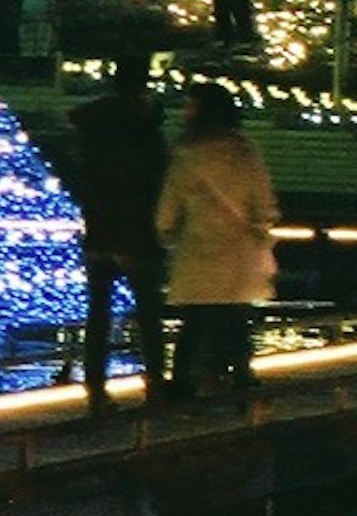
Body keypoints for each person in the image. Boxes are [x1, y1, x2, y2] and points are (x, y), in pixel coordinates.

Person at [155, 82, 279, 398]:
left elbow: (167, 210)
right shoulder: (244, 152)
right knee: (237, 318)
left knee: (194, 322)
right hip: (238, 250)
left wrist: (166, 232)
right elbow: (263, 204)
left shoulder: (185, 153)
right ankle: (240, 377)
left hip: (198, 248)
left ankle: (183, 382)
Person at [65, 51, 171, 408]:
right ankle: (155, 381)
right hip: (137, 232)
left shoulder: (91, 129)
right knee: (148, 313)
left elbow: (81, 178)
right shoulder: (143, 129)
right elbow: (155, 180)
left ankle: (95, 386)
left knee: (99, 312)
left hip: (99, 231)